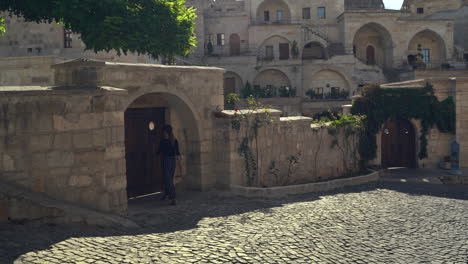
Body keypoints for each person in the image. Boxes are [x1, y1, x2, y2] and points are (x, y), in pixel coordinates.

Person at [158, 125, 180, 205]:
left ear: (166, 132)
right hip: (172, 160)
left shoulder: (163, 141)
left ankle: (173, 197)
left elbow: (159, 151)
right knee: (169, 178)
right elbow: (177, 152)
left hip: (167, 160)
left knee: (168, 179)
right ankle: (167, 193)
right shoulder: (174, 141)